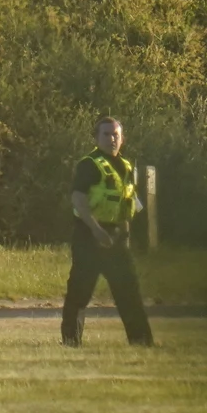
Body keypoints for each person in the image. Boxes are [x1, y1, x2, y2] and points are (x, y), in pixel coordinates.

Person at [62, 115, 154, 347]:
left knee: (129, 292)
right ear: (96, 138)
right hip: (88, 236)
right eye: (106, 134)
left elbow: (128, 206)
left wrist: (125, 236)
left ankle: (141, 342)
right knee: (80, 292)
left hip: (116, 238)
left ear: (122, 139)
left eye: (116, 135)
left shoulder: (125, 167)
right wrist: (95, 229)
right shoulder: (89, 164)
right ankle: (71, 342)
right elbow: (78, 199)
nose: (111, 139)